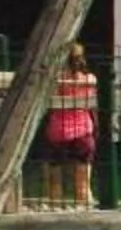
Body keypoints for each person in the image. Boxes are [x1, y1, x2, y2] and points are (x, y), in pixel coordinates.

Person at [38, 42, 98, 205]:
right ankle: (84, 210)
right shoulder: (90, 80)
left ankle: (55, 207)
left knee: (54, 182)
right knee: (83, 183)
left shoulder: (56, 80)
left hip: (57, 132)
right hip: (83, 131)